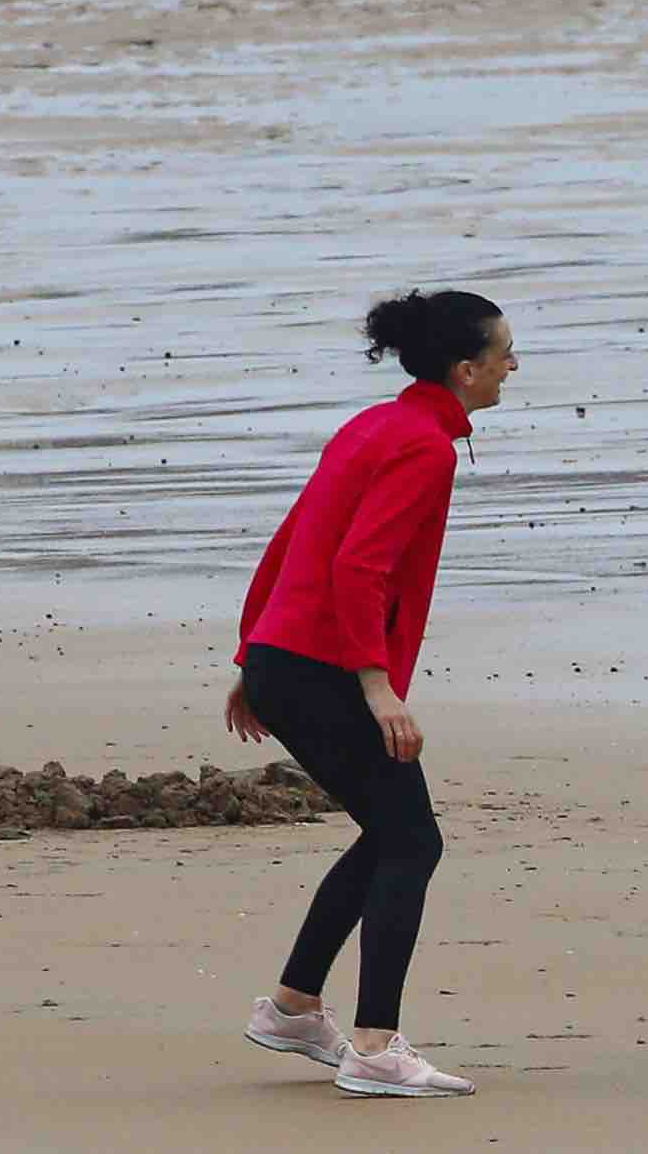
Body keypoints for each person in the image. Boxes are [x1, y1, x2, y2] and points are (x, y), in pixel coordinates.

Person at [223, 288, 517, 1098]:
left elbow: (292, 537)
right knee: (412, 841)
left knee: (391, 833)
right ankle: (376, 1045)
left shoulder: (374, 424)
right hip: (323, 666)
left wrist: (255, 654)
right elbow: (357, 566)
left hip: (290, 659)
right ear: (466, 369)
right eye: (503, 354)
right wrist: (377, 685)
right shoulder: (424, 446)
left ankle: (292, 1006)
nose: (512, 366)